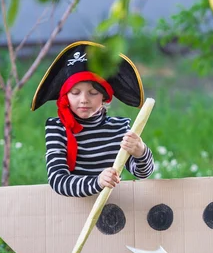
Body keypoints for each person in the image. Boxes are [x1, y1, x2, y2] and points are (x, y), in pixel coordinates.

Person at [31, 41, 154, 197]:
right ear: (65, 96)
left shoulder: (119, 129)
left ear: (105, 96)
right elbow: (57, 180)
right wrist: (97, 182)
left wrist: (140, 152)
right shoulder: (57, 129)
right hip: (72, 209)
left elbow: (143, 173)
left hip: (111, 207)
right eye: (75, 93)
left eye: (93, 93)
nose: (84, 99)